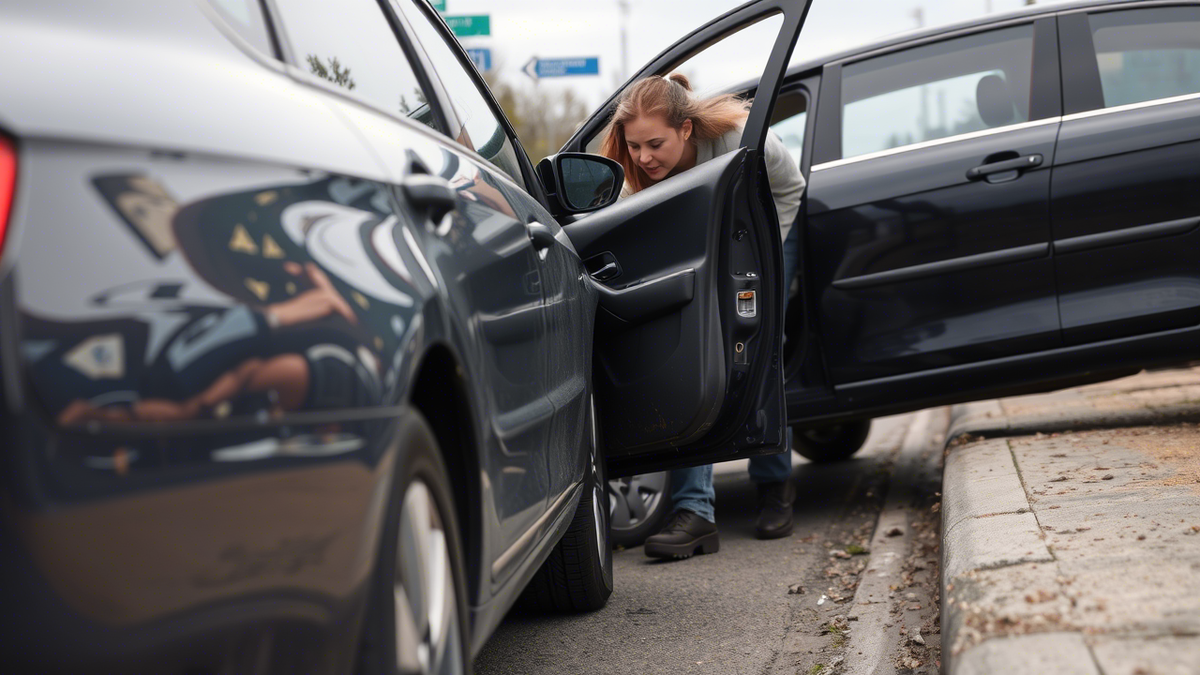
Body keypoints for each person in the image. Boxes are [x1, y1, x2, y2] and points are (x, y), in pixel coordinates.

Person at [600, 73, 806, 559]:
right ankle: (695, 511)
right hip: (703, 258)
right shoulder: (635, 175)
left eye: (655, 144)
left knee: (760, 351)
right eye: (635, 146)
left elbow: (790, 188)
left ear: (686, 129)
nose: (643, 157)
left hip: (762, 242)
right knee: (693, 360)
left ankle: (774, 485)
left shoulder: (740, 138)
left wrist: (762, 259)